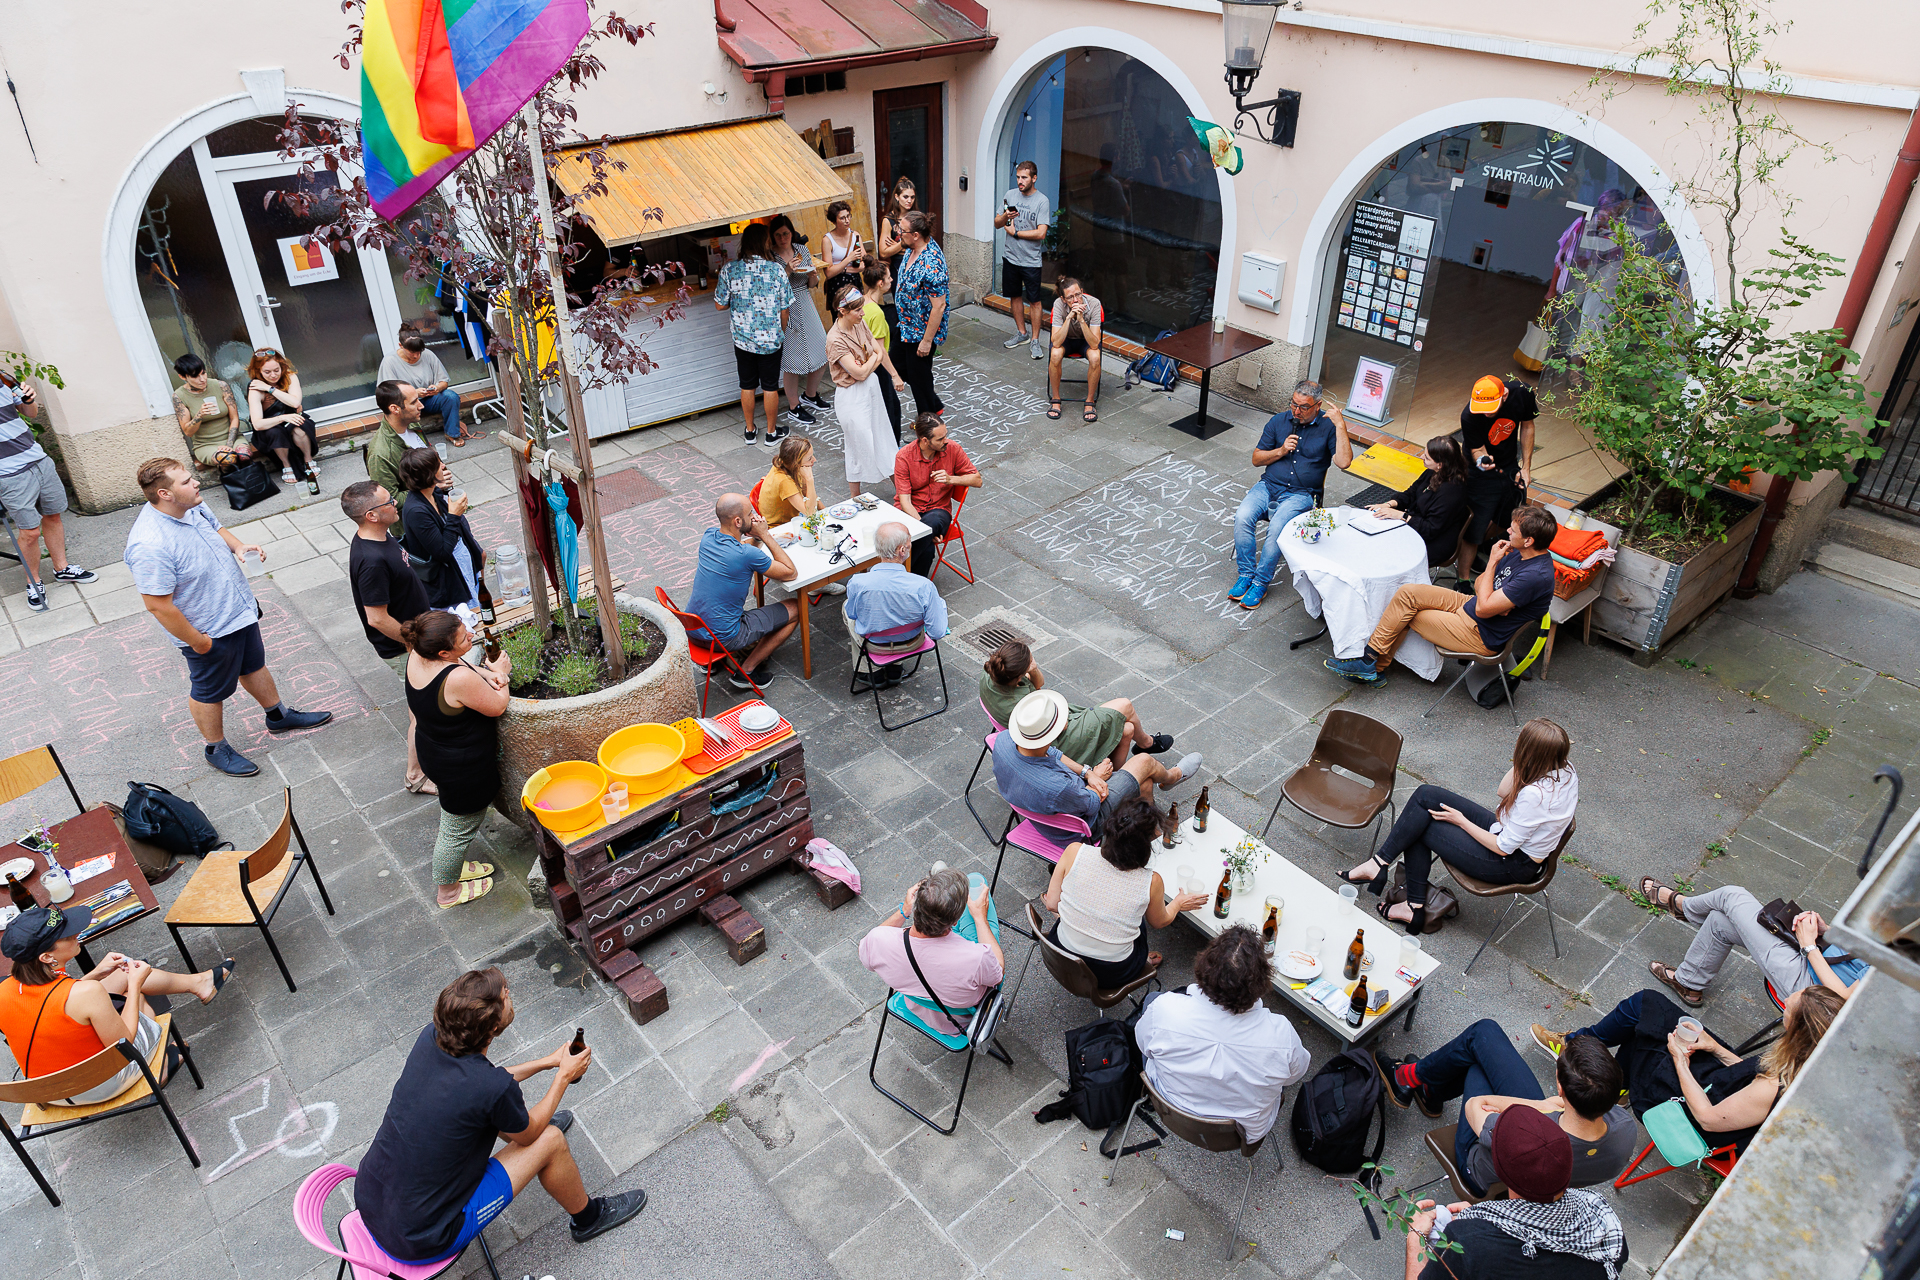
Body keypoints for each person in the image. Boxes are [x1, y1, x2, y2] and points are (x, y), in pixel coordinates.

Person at [355, 968, 647, 1265]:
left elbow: (483, 1084)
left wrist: (547, 1062)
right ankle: (589, 1218)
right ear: (493, 1027)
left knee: (495, 1111)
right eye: (505, 996)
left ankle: (523, 1129)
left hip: (371, 1199)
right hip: (423, 1238)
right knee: (549, 1139)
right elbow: (524, 1128)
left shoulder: (431, 1038)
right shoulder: (490, 1088)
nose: (508, 992)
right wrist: (563, 1076)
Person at [125, 458, 332, 777]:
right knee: (208, 690)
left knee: (253, 665)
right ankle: (215, 748)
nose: (196, 483)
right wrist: (200, 643)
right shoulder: (149, 545)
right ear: (165, 494)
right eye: (186, 481)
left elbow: (216, 527)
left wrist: (238, 547)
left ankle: (278, 716)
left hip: (238, 609)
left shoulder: (191, 505)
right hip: (208, 630)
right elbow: (158, 606)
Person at [1533, 983, 1844, 1160]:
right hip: (1719, 1085)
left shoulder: (1775, 1087)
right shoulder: (1803, 1057)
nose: (1786, 999)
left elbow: (1708, 1118)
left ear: (1800, 1029)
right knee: (1649, 1009)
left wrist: (1680, 1061)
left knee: (1645, 1025)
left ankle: (1576, 1050)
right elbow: (1746, 1075)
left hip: (1691, 1113)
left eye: (1791, 1005)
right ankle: (1610, 1080)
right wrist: (1715, 1047)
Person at [1342, 718, 1576, 935]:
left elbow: (1503, 847)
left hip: (1510, 862)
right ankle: (1379, 863)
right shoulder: (1566, 769)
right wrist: (1524, 760)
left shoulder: (1535, 796)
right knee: (1426, 795)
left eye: (1521, 744)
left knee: (1420, 825)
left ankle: (1413, 906)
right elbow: (1503, 791)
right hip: (1506, 831)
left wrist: (1461, 821)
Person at [0, 905, 232, 1103]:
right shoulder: (87, 992)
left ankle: (199, 984)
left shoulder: (5, 988)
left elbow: (52, 1003)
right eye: (67, 935)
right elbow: (125, 1042)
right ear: (46, 957)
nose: (77, 933)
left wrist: (97, 973)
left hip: (49, 1094)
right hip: (99, 1086)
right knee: (134, 996)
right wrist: (135, 984)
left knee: (119, 978)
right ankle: (157, 1070)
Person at [1374, 1021, 1635, 1196]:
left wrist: (1542, 1106)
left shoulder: (1527, 1137)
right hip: (1538, 1175)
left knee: (1479, 1054)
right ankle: (1428, 1091)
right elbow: (1560, 1111)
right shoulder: (1625, 1129)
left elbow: (1477, 1106)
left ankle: (1407, 1079)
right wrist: (1550, 1108)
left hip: (1479, 1171)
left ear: (1560, 1088)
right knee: (1483, 1046)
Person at [1326, 505, 1559, 685]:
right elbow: (1479, 584)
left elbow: (1483, 608)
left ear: (1529, 540)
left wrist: (1492, 565)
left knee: (1407, 614)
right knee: (1407, 594)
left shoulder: (1535, 575)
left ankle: (1370, 665)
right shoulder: (1520, 552)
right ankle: (1371, 664)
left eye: (1513, 530)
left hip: (1480, 632)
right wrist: (1488, 595)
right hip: (1471, 604)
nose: (1507, 531)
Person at [1403, 1105, 1629, 1280]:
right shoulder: (1604, 1224)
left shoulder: (1467, 1242)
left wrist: (1415, 1237)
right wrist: (1481, 1220)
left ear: (1500, 1171)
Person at [1135, 926, 1310, 1142]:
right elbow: (1295, 1075)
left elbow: (1143, 1046)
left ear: (1204, 967)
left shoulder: (1165, 1009)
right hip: (1239, 1135)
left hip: (1171, 1109)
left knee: (1151, 1002)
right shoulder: (1281, 1035)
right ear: (1262, 982)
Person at [992, 688, 1201, 843]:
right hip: (1081, 827)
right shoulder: (1057, 786)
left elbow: (1051, 752)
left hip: (1041, 809)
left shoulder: (1003, 740)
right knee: (1144, 762)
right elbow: (1091, 803)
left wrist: (1087, 772)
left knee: (1143, 779)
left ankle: (1151, 833)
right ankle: (1173, 777)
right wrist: (1098, 778)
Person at [1042, 796, 1209, 987]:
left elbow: (1051, 904)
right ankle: (1142, 958)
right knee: (1139, 920)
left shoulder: (1075, 851)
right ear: (1146, 846)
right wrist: (1178, 903)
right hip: (1110, 974)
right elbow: (1159, 921)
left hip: (1059, 954)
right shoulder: (1151, 881)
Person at [1633, 879, 1869, 1008]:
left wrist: (1809, 946)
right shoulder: (1894, 944)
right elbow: (1866, 951)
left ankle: (1681, 905)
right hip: (1825, 955)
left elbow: (1845, 1001)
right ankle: (1689, 983)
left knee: (1731, 896)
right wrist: (1828, 932)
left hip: (1813, 991)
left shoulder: (1891, 976)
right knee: (1719, 922)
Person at [402, 612, 505, 907]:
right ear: (443, 652)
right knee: (456, 831)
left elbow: (458, 664)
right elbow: (498, 706)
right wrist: (501, 672)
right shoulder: (456, 679)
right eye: (463, 637)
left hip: (434, 751)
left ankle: (454, 869)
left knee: (455, 821)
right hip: (462, 768)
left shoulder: (418, 653)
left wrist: (483, 673)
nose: (471, 634)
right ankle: (447, 891)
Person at [343, 479, 436, 796]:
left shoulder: (381, 536)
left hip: (416, 637)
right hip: (404, 647)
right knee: (423, 712)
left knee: (424, 708)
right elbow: (377, 617)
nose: (395, 503)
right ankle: (416, 775)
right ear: (371, 515)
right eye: (388, 502)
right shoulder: (371, 561)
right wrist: (415, 643)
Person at [1230, 380, 1355, 610]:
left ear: (1318, 406)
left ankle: (1260, 582)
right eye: (1294, 404)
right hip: (1269, 485)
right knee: (1242, 517)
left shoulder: (1328, 427)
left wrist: (1340, 426)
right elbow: (1256, 459)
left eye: (1304, 407)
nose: (1297, 411)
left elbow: (1344, 462)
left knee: (1277, 528)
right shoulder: (1279, 421)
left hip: (1302, 493)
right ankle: (1246, 574)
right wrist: (1280, 450)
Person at [979, 638, 1173, 771]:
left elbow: (1038, 685)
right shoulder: (1021, 702)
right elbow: (1057, 726)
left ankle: (1116, 771)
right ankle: (1146, 743)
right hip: (1056, 738)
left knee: (1127, 729)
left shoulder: (992, 671)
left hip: (1038, 726)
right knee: (1125, 705)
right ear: (1019, 676)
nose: (1033, 663)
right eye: (1030, 662)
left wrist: (1033, 669)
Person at [858, 867, 1004, 1037]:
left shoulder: (877, 940)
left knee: (961, 891)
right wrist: (980, 917)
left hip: (916, 1006)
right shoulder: (976, 957)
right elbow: (998, 974)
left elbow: (869, 948)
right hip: (962, 1019)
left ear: (916, 907)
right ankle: (953, 908)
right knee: (975, 878)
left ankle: (942, 899)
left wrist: (904, 911)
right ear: (954, 921)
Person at [0, 372, 97, 613]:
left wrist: (29, 400)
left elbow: (30, 413)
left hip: (38, 459)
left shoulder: (3, 380)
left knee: (53, 515)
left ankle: (61, 568)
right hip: (9, 474)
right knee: (30, 532)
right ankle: (33, 582)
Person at [685, 493, 800, 690]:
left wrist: (754, 536)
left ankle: (712, 663)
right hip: (724, 638)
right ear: (738, 521)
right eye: (750, 514)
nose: (754, 517)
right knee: (796, 608)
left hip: (694, 631)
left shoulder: (708, 537)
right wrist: (765, 535)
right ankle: (746, 672)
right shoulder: (747, 554)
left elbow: (739, 549)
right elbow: (790, 573)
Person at [843, 521, 947, 690]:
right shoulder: (924, 586)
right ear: (902, 550)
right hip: (912, 642)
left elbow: (853, 614)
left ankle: (870, 672)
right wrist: (940, 604)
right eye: (909, 541)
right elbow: (937, 631)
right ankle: (895, 669)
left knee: (847, 608)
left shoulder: (858, 583)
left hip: (875, 645)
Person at [715, 223, 794, 446]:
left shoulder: (730, 269)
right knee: (770, 386)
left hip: (743, 340)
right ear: (765, 242)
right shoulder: (776, 270)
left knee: (747, 385)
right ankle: (771, 433)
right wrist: (780, 333)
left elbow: (720, 305)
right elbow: (785, 309)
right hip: (771, 339)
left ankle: (750, 431)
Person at [1455, 374, 1538, 579]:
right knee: (1475, 524)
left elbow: (1528, 426)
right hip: (1478, 470)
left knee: (1509, 515)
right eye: (1481, 409)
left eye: (1490, 408)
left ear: (1504, 396)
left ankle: (1480, 544)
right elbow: (1477, 449)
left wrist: (1526, 468)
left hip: (1509, 463)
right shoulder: (1469, 415)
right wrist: (1483, 460)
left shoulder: (1522, 393)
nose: (1485, 413)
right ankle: (1463, 578)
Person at [825, 283, 894, 497]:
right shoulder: (835, 339)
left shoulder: (859, 323)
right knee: (858, 443)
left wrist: (868, 362)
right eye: (857, 310)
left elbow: (877, 353)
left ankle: (901, 488)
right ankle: (855, 496)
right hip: (851, 395)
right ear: (842, 311)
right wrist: (872, 360)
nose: (862, 313)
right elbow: (861, 372)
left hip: (870, 388)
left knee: (883, 435)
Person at [893, 414, 981, 577]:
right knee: (927, 550)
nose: (945, 441)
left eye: (946, 435)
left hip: (938, 510)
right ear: (925, 440)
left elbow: (977, 480)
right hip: (910, 511)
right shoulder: (904, 456)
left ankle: (895, 574)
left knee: (933, 521)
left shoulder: (952, 449)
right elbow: (905, 502)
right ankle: (913, 584)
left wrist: (951, 479)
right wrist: (926, 532)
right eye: (940, 439)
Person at [1366, 433, 1471, 569]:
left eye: (1427, 457)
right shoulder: (1433, 472)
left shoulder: (1452, 492)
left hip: (1434, 542)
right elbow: (1411, 492)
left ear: (1440, 464)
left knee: (1384, 549)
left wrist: (1402, 516)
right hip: (1416, 524)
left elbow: (1431, 529)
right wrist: (1388, 505)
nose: (1421, 457)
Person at [397, 447, 484, 609]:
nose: (443, 466)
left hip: (461, 568)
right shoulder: (416, 511)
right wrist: (454, 515)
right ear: (429, 474)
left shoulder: (433, 494)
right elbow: (442, 553)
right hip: (448, 582)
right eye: (438, 465)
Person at [769, 215, 830, 426]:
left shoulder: (801, 249)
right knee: (791, 359)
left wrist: (813, 275)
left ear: (791, 232)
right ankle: (794, 406)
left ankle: (810, 395)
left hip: (804, 299)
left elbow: (811, 284)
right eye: (778, 235)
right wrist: (787, 270)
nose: (782, 238)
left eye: (785, 233)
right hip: (786, 306)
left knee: (823, 347)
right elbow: (773, 288)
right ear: (772, 236)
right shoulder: (771, 257)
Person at [892, 211, 949, 416]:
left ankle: (929, 422)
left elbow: (939, 306)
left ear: (915, 235)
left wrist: (926, 341)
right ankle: (934, 405)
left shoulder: (931, 262)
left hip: (921, 331)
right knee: (897, 365)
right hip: (906, 325)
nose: (898, 234)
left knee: (919, 378)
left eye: (902, 231)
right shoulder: (911, 249)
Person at [379, 333, 480, 445]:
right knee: (398, 406)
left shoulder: (428, 354)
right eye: (412, 352)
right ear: (401, 346)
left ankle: (452, 434)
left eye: (419, 352)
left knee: (451, 397)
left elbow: (444, 382)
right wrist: (414, 393)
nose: (416, 356)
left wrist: (437, 388)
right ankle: (409, 441)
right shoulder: (389, 361)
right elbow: (388, 394)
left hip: (429, 400)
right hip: (407, 403)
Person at [995, 160, 1051, 358]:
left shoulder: (1042, 201)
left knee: (1034, 301)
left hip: (1030, 261)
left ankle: (1035, 340)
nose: (1020, 181)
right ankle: (1022, 333)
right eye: (1018, 177)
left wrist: (1016, 233)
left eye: (1024, 177)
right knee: (1015, 296)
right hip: (1010, 257)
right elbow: (997, 223)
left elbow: (1041, 233)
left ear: (1034, 178)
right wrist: (1005, 217)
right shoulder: (1010, 195)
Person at [245, 348, 320, 493]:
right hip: (270, 425)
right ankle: (287, 466)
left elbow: (295, 403)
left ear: (282, 366)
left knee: (299, 426)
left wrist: (269, 388)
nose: (273, 375)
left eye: (276, 370)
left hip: (292, 419)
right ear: (258, 371)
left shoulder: (290, 377)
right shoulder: (255, 388)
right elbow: (258, 424)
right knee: (275, 432)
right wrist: (283, 418)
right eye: (267, 372)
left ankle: (308, 460)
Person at [367, 380, 431, 534]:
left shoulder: (412, 424)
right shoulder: (380, 454)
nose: (421, 406)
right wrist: (431, 487)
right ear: (395, 409)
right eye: (414, 402)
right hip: (416, 529)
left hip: (435, 511)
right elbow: (389, 501)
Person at [171, 353, 253, 469]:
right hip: (206, 445)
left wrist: (229, 445)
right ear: (183, 377)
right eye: (195, 376)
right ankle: (234, 478)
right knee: (228, 459)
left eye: (203, 373)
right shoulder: (179, 396)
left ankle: (252, 478)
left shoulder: (220, 386)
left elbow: (234, 418)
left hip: (232, 438)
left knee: (244, 455)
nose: (202, 379)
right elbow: (188, 432)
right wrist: (199, 415)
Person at [860, 261, 908, 444]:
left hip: (865, 363)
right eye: (888, 277)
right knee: (890, 411)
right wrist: (895, 375)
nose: (892, 280)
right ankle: (890, 450)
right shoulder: (877, 314)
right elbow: (880, 350)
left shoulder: (861, 303)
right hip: (878, 368)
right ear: (880, 283)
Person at [1046, 277, 1105, 423]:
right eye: (1070, 297)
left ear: (1082, 291)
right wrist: (1068, 318)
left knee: (1095, 357)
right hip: (1065, 338)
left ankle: (1090, 401)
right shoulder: (1058, 304)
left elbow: (1094, 344)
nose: (1076, 300)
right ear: (1063, 299)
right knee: (1055, 354)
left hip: (1086, 339)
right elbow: (1056, 341)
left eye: (1078, 294)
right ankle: (1056, 399)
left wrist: (1081, 320)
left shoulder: (1094, 304)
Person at [756, 435, 823, 524]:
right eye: (809, 458)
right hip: (779, 525)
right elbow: (810, 513)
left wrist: (825, 510)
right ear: (796, 463)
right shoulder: (784, 481)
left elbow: (806, 491)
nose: (814, 460)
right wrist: (810, 480)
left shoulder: (784, 462)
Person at [819, 199, 865, 314]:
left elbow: (864, 263)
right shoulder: (828, 240)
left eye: (848, 216)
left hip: (854, 282)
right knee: (840, 316)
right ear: (834, 221)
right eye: (842, 218)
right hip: (837, 285)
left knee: (858, 314)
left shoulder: (855, 235)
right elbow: (829, 272)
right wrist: (849, 259)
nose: (847, 220)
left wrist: (843, 269)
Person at [876, 176, 916, 267]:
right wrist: (904, 244)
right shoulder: (889, 220)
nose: (909, 200)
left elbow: (922, 248)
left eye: (912, 197)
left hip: (916, 265)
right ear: (897, 197)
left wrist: (896, 246)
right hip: (898, 266)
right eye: (905, 197)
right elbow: (883, 253)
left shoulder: (917, 218)